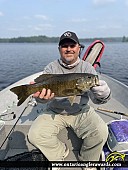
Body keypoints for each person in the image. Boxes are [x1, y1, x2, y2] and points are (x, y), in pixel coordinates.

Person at [28, 31, 111, 170]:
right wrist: (40, 99)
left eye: (72, 45)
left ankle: (87, 161)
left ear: (79, 48)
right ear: (59, 49)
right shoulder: (51, 68)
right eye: (64, 46)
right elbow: (42, 99)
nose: (69, 49)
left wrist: (103, 95)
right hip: (55, 110)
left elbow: (97, 100)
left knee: (102, 131)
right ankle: (60, 152)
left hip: (81, 110)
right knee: (34, 135)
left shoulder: (87, 69)